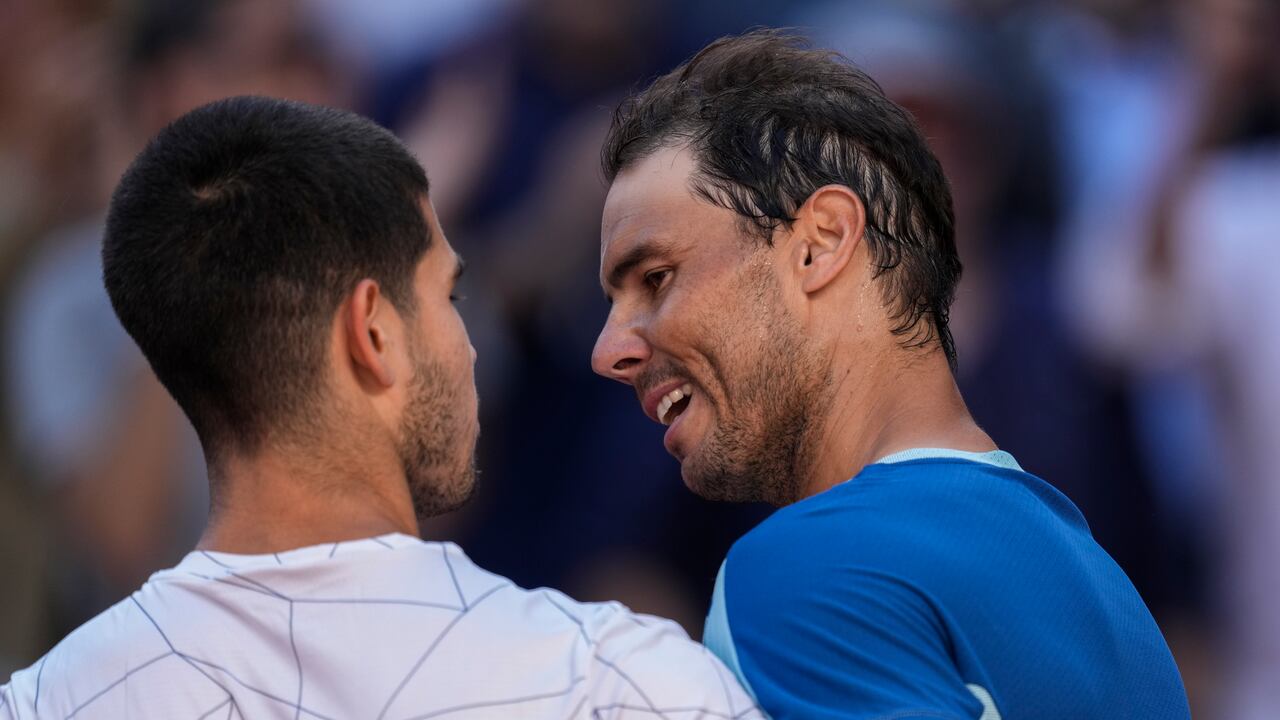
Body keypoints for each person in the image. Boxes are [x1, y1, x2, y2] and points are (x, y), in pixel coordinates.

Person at [0, 96, 759, 720]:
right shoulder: (621, 686)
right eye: (449, 295)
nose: (470, 347)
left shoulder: (46, 702)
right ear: (372, 332)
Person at [592, 30, 1191, 719]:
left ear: (818, 246)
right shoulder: (1103, 590)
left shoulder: (805, 571)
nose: (609, 351)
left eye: (657, 277)